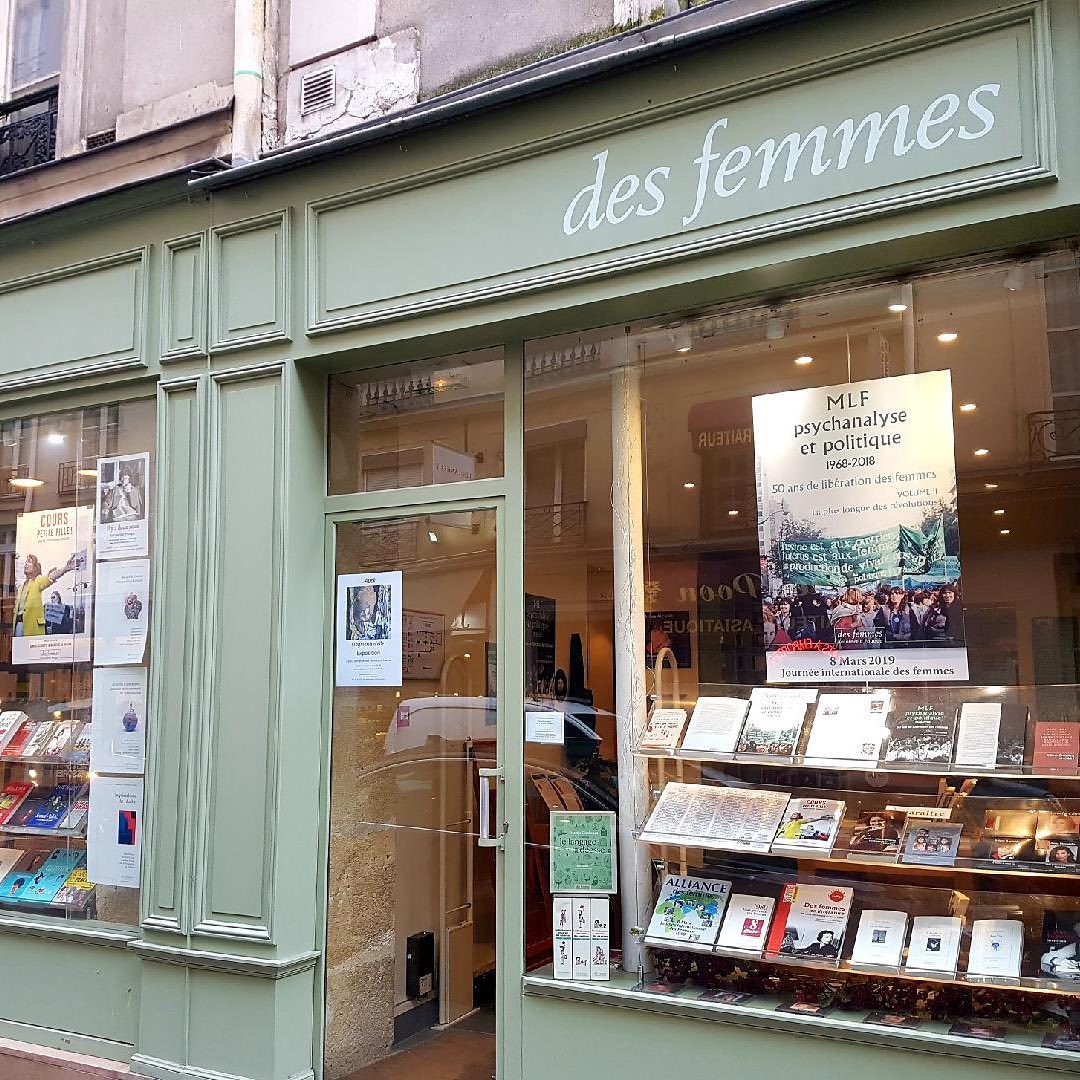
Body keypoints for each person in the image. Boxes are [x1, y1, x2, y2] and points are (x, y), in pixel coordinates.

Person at [14, 552, 82, 638]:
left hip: (31, 628)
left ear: (35, 568)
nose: (26, 564)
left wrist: (65, 568)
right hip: (19, 626)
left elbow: (50, 577)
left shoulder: (37, 581)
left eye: (29, 561)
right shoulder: (22, 586)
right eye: (26, 562)